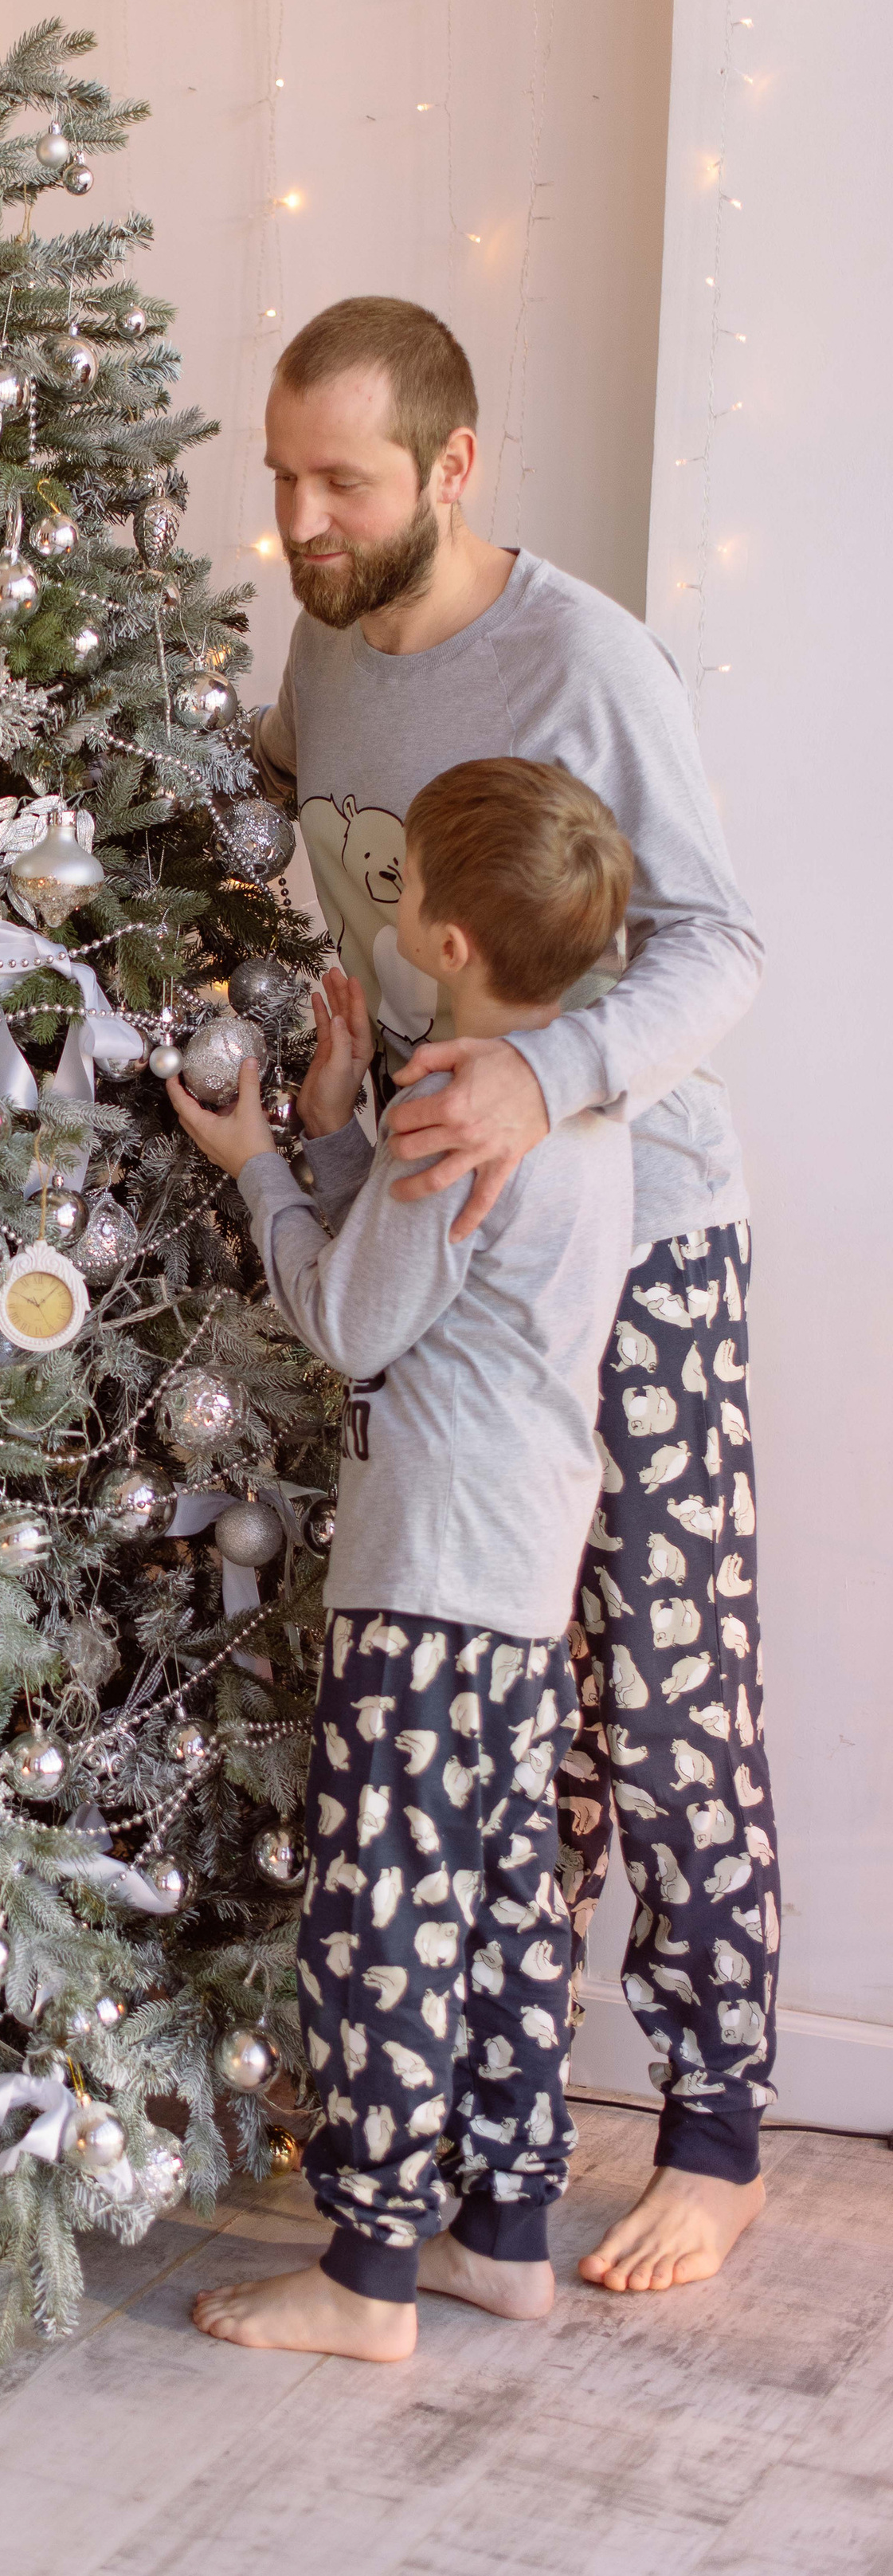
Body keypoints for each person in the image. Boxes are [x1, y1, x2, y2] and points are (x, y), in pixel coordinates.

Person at [247, 296, 773, 2296]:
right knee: (492, 1725)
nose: (298, 516)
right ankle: (487, 2171)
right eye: (280, 473)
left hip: (627, 1239)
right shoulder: (316, 643)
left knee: (664, 1689)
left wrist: (542, 1075)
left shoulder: (582, 659)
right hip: (423, 1244)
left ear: (449, 470)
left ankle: (715, 2130)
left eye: (341, 481)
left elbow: (717, 940)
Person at [175, 759, 634, 2358]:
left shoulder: (450, 1119)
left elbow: (351, 1320)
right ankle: (499, 2228)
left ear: (439, 936)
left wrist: (255, 1162)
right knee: (503, 1901)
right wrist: (342, 1130)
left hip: (424, 1582)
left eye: (395, 895)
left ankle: (366, 2269)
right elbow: (445, 1279)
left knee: (382, 1914)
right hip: (516, 1581)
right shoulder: (572, 1106)